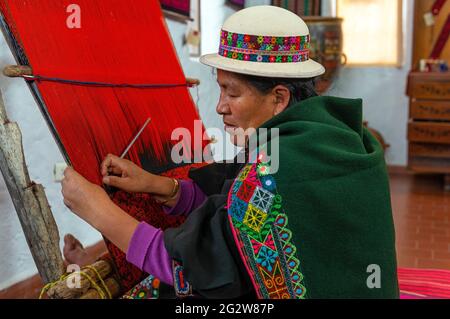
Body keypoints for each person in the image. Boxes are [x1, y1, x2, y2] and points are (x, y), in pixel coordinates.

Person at [62, 5, 399, 299]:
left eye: (231, 92)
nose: (220, 106)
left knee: (165, 291)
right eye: (219, 88)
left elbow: (190, 267)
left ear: (279, 98)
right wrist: (157, 185)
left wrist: (97, 209)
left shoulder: (278, 172)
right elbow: (233, 204)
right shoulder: (327, 135)